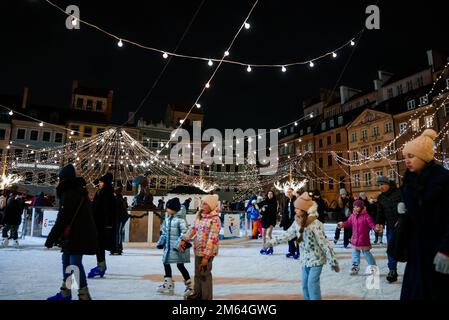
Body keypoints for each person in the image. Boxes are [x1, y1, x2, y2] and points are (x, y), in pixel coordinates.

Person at [398, 129, 449, 300]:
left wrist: (446, 250)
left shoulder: (443, 180)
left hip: (438, 249)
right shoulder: (409, 181)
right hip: (416, 251)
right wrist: (405, 211)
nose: (407, 161)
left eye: (411, 156)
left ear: (424, 157)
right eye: (405, 157)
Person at [264, 192, 339, 300]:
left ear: (304, 210)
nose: (295, 210)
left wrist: (333, 261)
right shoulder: (297, 222)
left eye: (297, 208)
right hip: (305, 259)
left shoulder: (315, 224)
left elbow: (324, 243)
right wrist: (271, 242)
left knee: (312, 284)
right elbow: (287, 235)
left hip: (317, 259)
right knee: (304, 285)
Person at [45, 164, 98, 300]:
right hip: (78, 234)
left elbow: (62, 218)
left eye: (59, 179)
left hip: (77, 235)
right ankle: (66, 292)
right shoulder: (79, 191)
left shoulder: (69, 193)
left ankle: (83, 295)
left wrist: (51, 238)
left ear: (63, 179)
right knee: (68, 261)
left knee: (74, 263)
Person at [184, 194, 221, 300]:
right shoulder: (200, 216)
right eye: (202, 203)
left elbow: (212, 239)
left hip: (207, 252)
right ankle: (198, 294)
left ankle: (206, 297)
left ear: (211, 206)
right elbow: (193, 229)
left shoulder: (215, 219)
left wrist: (206, 257)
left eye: (205, 204)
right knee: (197, 274)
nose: (202, 206)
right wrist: (185, 239)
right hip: (198, 249)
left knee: (204, 275)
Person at [156, 198, 192, 297]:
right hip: (168, 248)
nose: (166, 210)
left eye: (168, 208)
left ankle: (190, 285)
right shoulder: (167, 220)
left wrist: (177, 245)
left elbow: (185, 234)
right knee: (165, 262)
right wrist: (160, 242)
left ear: (174, 209)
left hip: (179, 249)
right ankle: (168, 283)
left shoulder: (181, 220)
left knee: (180, 265)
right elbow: (164, 233)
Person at [88, 173, 117, 278]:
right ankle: (101, 265)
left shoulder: (107, 194)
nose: (99, 184)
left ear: (105, 183)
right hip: (98, 223)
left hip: (102, 224)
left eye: (101, 182)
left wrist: (108, 225)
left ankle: (101, 267)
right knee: (99, 246)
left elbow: (107, 211)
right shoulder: (102, 192)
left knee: (99, 246)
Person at [338, 199, 377, 275]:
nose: (355, 208)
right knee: (355, 254)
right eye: (354, 207)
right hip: (355, 239)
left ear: (362, 207)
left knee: (367, 254)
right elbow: (348, 223)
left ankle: (373, 267)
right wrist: (342, 224)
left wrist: (375, 228)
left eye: (357, 207)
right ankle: (355, 266)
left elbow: (371, 224)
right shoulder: (352, 216)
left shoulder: (366, 216)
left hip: (364, 239)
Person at [375, 176, 402, 283]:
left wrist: (401, 219)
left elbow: (406, 207)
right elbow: (380, 213)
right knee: (391, 250)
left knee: (409, 248)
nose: (380, 187)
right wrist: (379, 223)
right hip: (391, 228)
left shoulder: (399, 193)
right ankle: (392, 270)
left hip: (404, 226)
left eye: (382, 184)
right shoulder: (381, 198)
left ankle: (417, 270)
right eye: (379, 185)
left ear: (388, 184)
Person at [280, 188, 299, 259]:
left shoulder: (296, 199)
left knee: (296, 237)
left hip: (295, 221)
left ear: (293, 193)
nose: (289, 193)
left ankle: (298, 252)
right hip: (288, 221)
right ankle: (292, 251)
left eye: (290, 192)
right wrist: (283, 221)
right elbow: (285, 212)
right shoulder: (287, 200)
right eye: (288, 192)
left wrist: (296, 194)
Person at [111, 186, 129, 255]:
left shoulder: (118, 199)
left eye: (115, 191)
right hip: (120, 218)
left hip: (121, 218)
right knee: (118, 232)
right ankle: (118, 247)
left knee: (118, 232)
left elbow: (119, 210)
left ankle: (118, 248)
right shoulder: (118, 198)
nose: (114, 192)